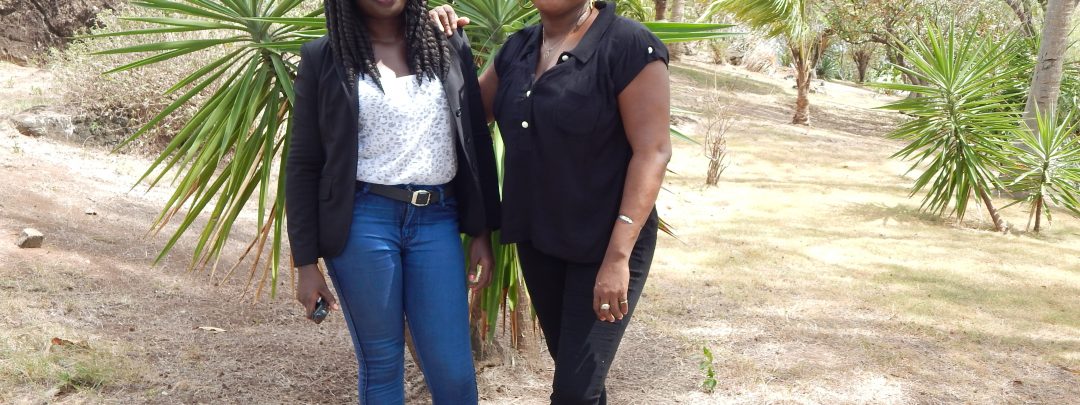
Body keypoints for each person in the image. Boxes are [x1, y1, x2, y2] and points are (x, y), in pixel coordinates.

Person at [431, 1, 671, 403]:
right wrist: (443, 41)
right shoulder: (519, 47)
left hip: (605, 244)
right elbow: (468, 114)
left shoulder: (628, 45)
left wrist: (618, 258)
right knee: (577, 377)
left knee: (574, 391)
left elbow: (654, 152)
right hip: (539, 239)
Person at [284, 0, 502, 402]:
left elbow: (475, 137)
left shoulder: (447, 41)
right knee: (382, 364)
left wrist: (481, 232)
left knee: (453, 369)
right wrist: (305, 264)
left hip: (437, 220)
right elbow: (303, 162)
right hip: (364, 221)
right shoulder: (324, 57)